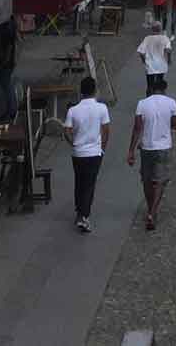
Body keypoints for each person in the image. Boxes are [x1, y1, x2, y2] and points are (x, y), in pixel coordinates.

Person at [127, 76, 176, 231]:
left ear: (151, 90)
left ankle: (150, 207)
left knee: (146, 180)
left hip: (146, 147)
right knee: (160, 181)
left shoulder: (142, 104)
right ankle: (152, 212)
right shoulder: (171, 103)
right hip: (163, 147)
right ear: (164, 89)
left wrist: (131, 151)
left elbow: (137, 128)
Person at [66, 76, 111, 234]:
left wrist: (73, 143)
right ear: (94, 90)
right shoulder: (102, 108)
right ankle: (84, 216)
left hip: (78, 153)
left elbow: (67, 131)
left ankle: (79, 210)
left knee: (79, 181)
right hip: (94, 152)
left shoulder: (73, 110)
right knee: (90, 184)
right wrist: (102, 148)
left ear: (81, 91)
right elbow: (106, 131)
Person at [136, 18, 172, 84]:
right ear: (160, 29)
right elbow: (168, 50)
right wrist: (169, 60)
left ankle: (150, 93)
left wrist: (144, 61)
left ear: (152, 29)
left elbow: (141, 52)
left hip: (150, 66)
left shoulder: (147, 39)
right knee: (159, 83)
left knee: (150, 84)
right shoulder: (165, 38)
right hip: (161, 65)